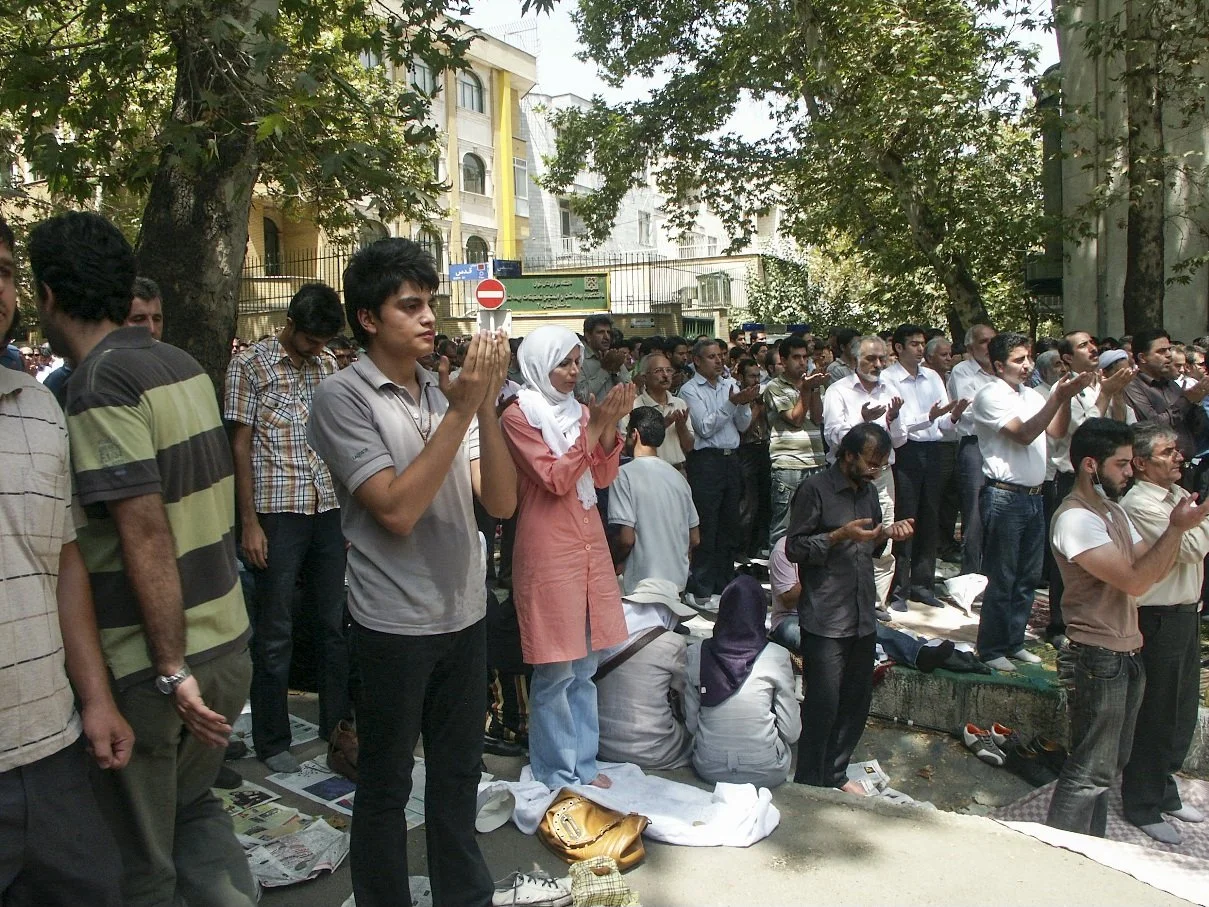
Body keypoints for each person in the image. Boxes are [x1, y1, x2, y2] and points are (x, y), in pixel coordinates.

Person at [32, 211, 256, 906]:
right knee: (192, 814)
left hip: (155, 667)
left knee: (140, 862)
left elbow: (146, 531)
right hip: (225, 645)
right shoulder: (179, 363)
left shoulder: (99, 384)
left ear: (47, 295)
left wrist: (169, 667)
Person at [306, 237, 515, 907]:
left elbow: (501, 501)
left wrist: (482, 404)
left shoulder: (441, 389)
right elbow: (395, 509)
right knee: (387, 783)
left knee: (457, 776)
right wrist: (460, 411)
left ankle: (465, 895)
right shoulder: (342, 397)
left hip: (464, 612)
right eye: (409, 305)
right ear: (368, 318)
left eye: (430, 303)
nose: (429, 317)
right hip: (392, 622)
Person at [0, 215, 131, 905]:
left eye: (2, 272)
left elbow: (65, 562)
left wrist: (97, 699)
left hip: (50, 743)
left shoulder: (39, 409)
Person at [1047, 418, 1209, 838]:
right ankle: (1059, 852)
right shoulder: (1076, 519)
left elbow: (1152, 566)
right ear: (1090, 465)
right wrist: (1177, 528)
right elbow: (1138, 580)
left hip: (1125, 650)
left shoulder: (1113, 511)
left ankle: (1090, 847)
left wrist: (1176, 529)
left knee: (1108, 766)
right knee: (1089, 770)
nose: (1128, 472)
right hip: (1096, 653)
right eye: (1121, 464)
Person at [224, 282, 350, 773]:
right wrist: (249, 523)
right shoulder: (249, 366)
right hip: (276, 511)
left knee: (332, 624)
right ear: (291, 324)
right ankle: (272, 740)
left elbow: (338, 441)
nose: (317, 348)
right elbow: (239, 447)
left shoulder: (326, 365)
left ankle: (336, 728)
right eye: (310, 339)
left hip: (327, 507)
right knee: (275, 629)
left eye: (323, 341)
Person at [501, 326, 634, 789]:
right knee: (555, 668)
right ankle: (556, 770)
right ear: (539, 366)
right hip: (548, 549)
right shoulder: (519, 416)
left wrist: (608, 426)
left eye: (577, 362)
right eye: (564, 363)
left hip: (588, 544)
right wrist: (595, 427)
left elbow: (602, 477)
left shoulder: (581, 412)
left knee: (585, 668)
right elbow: (555, 479)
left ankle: (584, 764)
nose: (575, 371)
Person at [787, 423, 915, 793]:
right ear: (847, 455)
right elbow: (794, 548)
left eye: (881, 464)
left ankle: (835, 774)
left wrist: (885, 535)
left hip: (861, 614)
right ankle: (809, 782)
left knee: (856, 703)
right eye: (871, 462)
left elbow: (870, 546)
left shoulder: (870, 492)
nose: (876, 470)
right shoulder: (815, 489)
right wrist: (838, 535)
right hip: (825, 616)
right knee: (822, 705)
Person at [971, 332, 1095, 671]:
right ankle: (992, 647)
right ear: (999, 366)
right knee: (1003, 575)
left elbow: (1056, 431)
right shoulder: (990, 395)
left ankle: (1014, 641)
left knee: (1027, 575)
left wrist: (1064, 397)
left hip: (1034, 495)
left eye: (1028, 358)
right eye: (1018, 360)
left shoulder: (1029, 394)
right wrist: (1057, 397)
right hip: (1004, 495)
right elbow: (1024, 434)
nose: (1027, 365)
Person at [1119, 423, 1209, 843]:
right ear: (1140, 463)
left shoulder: (1176, 495)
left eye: (1177, 450)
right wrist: (1200, 521)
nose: (1179, 458)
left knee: (1181, 709)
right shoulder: (1140, 503)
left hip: (1186, 613)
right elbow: (1190, 548)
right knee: (1155, 712)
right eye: (1167, 452)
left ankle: (1164, 788)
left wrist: (1197, 521)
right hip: (1158, 617)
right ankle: (1141, 802)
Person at [1045, 331, 1137, 644]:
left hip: (1108, 478)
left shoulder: (1104, 383)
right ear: (1067, 358)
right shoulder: (1065, 388)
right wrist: (1105, 395)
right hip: (1075, 478)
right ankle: (1061, 625)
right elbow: (1085, 435)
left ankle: (1105, 616)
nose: (1092, 349)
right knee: (1071, 557)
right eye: (1083, 346)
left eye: (1093, 344)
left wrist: (1116, 394)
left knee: (1106, 548)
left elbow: (1122, 429)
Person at [768, 536, 956, 672]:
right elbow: (787, 600)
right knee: (815, 638)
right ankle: (866, 657)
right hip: (790, 619)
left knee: (869, 625)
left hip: (828, 612)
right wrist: (816, 572)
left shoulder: (832, 544)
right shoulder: (783, 550)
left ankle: (919, 655)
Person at [684, 575, 800, 787]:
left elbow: (692, 725)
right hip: (765, 770)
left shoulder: (696, 653)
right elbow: (791, 733)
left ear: (723, 612)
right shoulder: (777, 655)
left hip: (709, 767)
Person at [885, 323, 968, 610]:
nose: (920, 349)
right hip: (906, 450)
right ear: (899, 347)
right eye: (914, 344)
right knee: (905, 517)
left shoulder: (932, 376)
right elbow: (900, 425)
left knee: (930, 516)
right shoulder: (889, 378)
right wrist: (929, 417)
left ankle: (923, 585)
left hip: (933, 449)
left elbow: (942, 423)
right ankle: (899, 589)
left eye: (922, 344)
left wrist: (953, 416)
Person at [821, 335, 906, 613]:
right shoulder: (838, 390)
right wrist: (863, 422)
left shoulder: (890, 390)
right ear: (855, 359)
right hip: (848, 478)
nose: (878, 364)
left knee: (884, 538)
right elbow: (833, 436)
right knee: (849, 538)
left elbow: (900, 440)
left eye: (882, 358)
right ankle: (846, 601)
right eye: (871, 358)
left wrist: (892, 419)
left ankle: (876, 604)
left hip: (882, 475)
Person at [679, 338, 759, 608]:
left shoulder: (729, 384)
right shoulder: (690, 390)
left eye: (720, 356)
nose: (718, 361)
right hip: (706, 461)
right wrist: (731, 404)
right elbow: (704, 427)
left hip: (731, 459)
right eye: (711, 356)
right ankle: (701, 586)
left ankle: (724, 583)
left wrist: (743, 403)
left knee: (729, 523)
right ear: (697, 361)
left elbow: (743, 425)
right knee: (707, 523)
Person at [594, 578, 695, 771]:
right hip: (654, 750)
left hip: (601, 745)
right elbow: (685, 697)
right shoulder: (672, 642)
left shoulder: (604, 636)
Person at [609, 405, 700, 596]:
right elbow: (694, 538)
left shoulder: (623, 475)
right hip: (676, 585)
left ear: (634, 434)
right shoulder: (679, 478)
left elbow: (626, 539)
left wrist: (612, 562)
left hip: (640, 585)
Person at [763, 335, 828, 543]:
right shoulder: (775, 387)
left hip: (816, 462)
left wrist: (814, 388)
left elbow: (817, 417)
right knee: (783, 527)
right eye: (796, 357)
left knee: (815, 524)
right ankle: (779, 565)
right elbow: (796, 419)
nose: (802, 362)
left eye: (805, 357)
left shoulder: (812, 383)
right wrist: (806, 390)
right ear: (783, 360)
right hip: (788, 465)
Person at [1124, 329, 1209, 484]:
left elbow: (1196, 428)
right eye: (1161, 351)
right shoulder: (1133, 387)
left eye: (1169, 349)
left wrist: (1197, 402)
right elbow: (1153, 426)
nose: (1169, 355)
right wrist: (1187, 400)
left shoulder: (1171, 385)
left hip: (1186, 470)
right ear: (1142, 357)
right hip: (1156, 475)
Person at [947, 323, 999, 575]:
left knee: (1000, 508)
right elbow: (968, 411)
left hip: (1002, 445)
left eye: (992, 341)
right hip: (974, 444)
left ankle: (993, 572)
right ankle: (971, 574)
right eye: (983, 342)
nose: (989, 347)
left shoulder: (1002, 370)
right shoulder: (963, 371)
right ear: (970, 347)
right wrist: (1002, 415)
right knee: (975, 512)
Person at [629, 352, 694, 468]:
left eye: (669, 370)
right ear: (644, 377)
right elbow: (628, 447)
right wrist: (661, 425)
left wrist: (681, 428)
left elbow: (689, 446)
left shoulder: (679, 403)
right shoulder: (634, 405)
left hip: (677, 469)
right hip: (647, 470)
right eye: (658, 371)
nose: (665, 375)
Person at [735, 358, 772, 559]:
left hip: (764, 448)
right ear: (741, 377)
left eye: (758, 376)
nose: (756, 380)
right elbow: (742, 429)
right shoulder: (738, 398)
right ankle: (742, 548)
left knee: (765, 501)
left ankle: (759, 546)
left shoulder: (764, 396)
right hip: (745, 451)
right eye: (751, 376)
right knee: (748, 502)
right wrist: (756, 408)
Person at [575, 313, 631, 403]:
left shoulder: (612, 356)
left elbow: (629, 392)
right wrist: (605, 370)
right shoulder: (578, 358)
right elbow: (582, 397)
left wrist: (616, 371)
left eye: (608, 332)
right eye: (600, 332)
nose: (607, 337)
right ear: (588, 336)